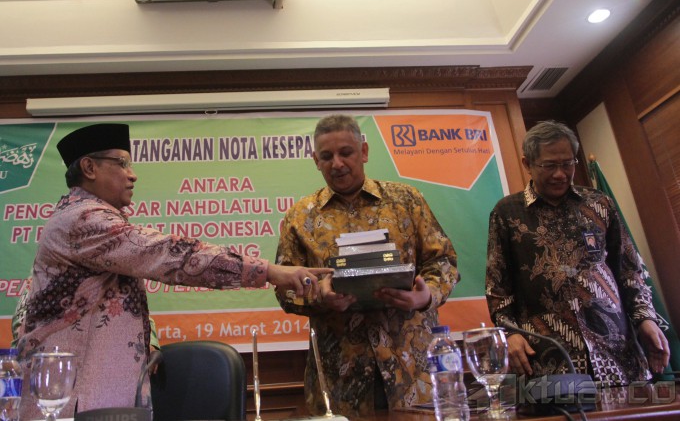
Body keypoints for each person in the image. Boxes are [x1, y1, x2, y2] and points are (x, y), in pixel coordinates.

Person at [15, 123, 331, 419]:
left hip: (94, 393)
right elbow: (171, 254)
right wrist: (270, 272)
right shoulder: (84, 221)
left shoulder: (81, 216)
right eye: (122, 164)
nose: (133, 175)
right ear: (89, 168)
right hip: (74, 399)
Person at [275, 114, 459, 416]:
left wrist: (425, 296)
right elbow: (284, 289)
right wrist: (319, 295)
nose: (337, 163)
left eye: (345, 152)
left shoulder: (406, 200)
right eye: (326, 156)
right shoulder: (300, 216)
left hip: (412, 369)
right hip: (339, 377)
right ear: (316, 161)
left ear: (363, 151)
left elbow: (444, 261)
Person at [486, 120, 670, 387]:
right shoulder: (507, 213)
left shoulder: (599, 204)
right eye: (549, 165)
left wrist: (645, 318)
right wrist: (508, 333)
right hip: (549, 358)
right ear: (528, 164)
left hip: (617, 353)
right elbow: (497, 285)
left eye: (568, 163)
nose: (560, 174)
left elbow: (630, 269)